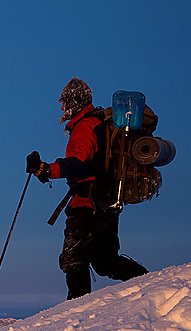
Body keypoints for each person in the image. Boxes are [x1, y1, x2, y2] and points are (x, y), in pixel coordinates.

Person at [26, 77, 148, 300]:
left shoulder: (85, 126)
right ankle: (149, 282)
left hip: (88, 205)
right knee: (105, 262)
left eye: (64, 102)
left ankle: (75, 311)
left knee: (74, 259)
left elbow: (79, 163)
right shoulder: (97, 123)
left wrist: (46, 169)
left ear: (75, 102)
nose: (62, 107)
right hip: (108, 201)